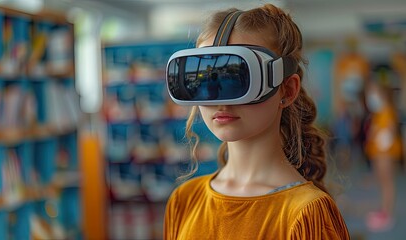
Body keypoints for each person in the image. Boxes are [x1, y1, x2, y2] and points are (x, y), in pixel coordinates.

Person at [163, 4, 350, 239]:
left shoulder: (306, 213)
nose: (220, 100)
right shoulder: (184, 200)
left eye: (238, 78)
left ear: (287, 90)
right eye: (204, 82)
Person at [364, 69, 402, 232]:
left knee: (387, 184)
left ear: (380, 94)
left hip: (385, 154)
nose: (369, 97)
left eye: (371, 92)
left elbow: (388, 134)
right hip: (380, 154)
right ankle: (383, 210)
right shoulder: (379, 113)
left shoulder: (387, 112)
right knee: (383, 183)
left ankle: (387, 215)